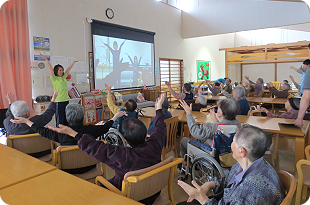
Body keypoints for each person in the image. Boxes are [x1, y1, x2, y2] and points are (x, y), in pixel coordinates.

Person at [47, 94, 167, 204]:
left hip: (129, 198)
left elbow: (94, 147)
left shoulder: (122, 155)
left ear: (125, 140)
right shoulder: (155, 145)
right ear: (145, 133)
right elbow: (160, 127)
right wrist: (159, 109)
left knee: (96, 188)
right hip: (153, 193)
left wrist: (73, 133)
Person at [177, 125, 285, 205]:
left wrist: (202, 198)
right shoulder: (254, 163)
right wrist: (210, 184)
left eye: (233, 142)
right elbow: (230, 179)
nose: (231, 145)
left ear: (242, 152)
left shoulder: (249, 190)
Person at [10, 104, 122, 174]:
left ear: (67, 118)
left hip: (67, 171)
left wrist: (27, 121)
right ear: (83, 117)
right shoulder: (92, 130)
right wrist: (115, 117)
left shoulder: (60, 134)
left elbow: (41, 130)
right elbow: (106, 127)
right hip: (90, 167)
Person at [40, 53, 77, 127]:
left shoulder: (64, 77)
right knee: (60, 119)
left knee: (66, 118)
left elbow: (69, 69)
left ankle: (65, 133)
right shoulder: (54, 79)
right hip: (58, 101)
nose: (62, 71)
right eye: (60, 70)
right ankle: (59, 133)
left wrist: (73, 62)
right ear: (56, 71)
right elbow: (51, 69)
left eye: (62, 70)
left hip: (66, 100)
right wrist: (46, 60)